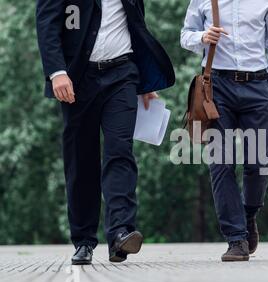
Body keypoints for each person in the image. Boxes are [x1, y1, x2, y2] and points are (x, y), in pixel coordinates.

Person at [36, 0, 175, 265]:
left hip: (122, 75)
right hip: (77, 79)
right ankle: (84, 241)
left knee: (120, 151)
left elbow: (136, 25)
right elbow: (46, 23)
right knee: (81, 160)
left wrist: (145, 82)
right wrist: (56, 72)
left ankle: (121, 233)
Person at [181, 0, 268, 261]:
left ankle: (249, 215)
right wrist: (202, 37)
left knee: (260, 162)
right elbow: (185, 35)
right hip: (218, 87)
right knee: (221, 162)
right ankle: (236, 239)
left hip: (259, 86)